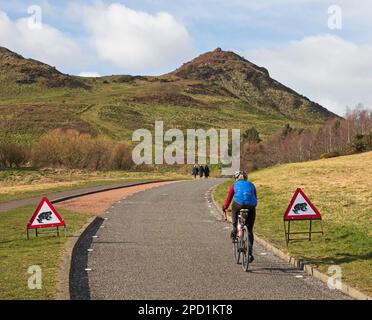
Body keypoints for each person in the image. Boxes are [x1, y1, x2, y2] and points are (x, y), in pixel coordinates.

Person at [223, 170, 257, 263]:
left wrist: (225, 207)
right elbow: (255, 198)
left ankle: (234, 229)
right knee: (250, 230)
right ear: (246, 178)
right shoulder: (251, 184)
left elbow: (229, 198)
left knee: (234, 207)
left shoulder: (234, 185)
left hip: (238, 205)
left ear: (236, 178)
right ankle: (249, 254)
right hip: (251, 206)